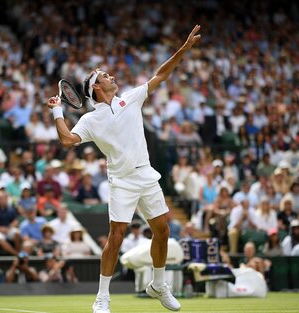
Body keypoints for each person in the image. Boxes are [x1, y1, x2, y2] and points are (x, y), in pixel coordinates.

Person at [47, 25, 202, 313]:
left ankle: (158, 285)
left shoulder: (129, 98)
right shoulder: (91, 120)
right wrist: (57, 112)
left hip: (146, 174)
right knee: (115, 237)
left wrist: (184, 48)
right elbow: (68, 140)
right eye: (106, 75)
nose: (112, 76)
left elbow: (162, 73)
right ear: (96, 86)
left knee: (163, 230)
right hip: (121, 181)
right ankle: (102, 297)